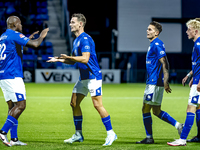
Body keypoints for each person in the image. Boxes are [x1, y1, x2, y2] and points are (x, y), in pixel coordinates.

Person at [47, 13, 117, 146]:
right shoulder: (76, 40)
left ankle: (111, 133)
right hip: (83, 77)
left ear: (80, 24)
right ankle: (78, 134)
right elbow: (73, 61)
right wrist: (59, 59)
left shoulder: (85, 39)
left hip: (93, 77)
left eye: (73, 22)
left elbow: (84, 59)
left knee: (98, 105)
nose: (70, 24)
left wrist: (68, 57)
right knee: (74, 103)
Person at [0, 16, 49, 147]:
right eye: (20, 23)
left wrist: (28, 38)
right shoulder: (15, 34)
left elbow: (17, 48)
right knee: (21, 105)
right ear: (15, 25)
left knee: (12, 107)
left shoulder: (3, 36)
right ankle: (3, 132)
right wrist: (42, 36)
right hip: (13, 75)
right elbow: (36, 45)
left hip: (3, 76)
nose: (21, 25)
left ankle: (14, 139)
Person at [136, 21, 183, 144]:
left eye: (150, 29)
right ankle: (178, 125)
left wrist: (166, 81)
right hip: (155, 82)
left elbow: (165, 62)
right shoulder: (154, 44)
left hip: (153, 83)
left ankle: (149, 138)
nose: (147, 31)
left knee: (145, 109)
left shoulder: (156, 44)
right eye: (147, 29)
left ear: (156, 33)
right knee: (156, 111)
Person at [167, 18, 200, 146]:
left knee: (190, 108)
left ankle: (182, 139)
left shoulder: (198, 44)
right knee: (197, 108)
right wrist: (190, 75)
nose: (187, 32)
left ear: (195, 31)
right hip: (196, 79)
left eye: (189, 30)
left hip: (198, 82)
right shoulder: (197, 43)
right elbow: (197, 64)